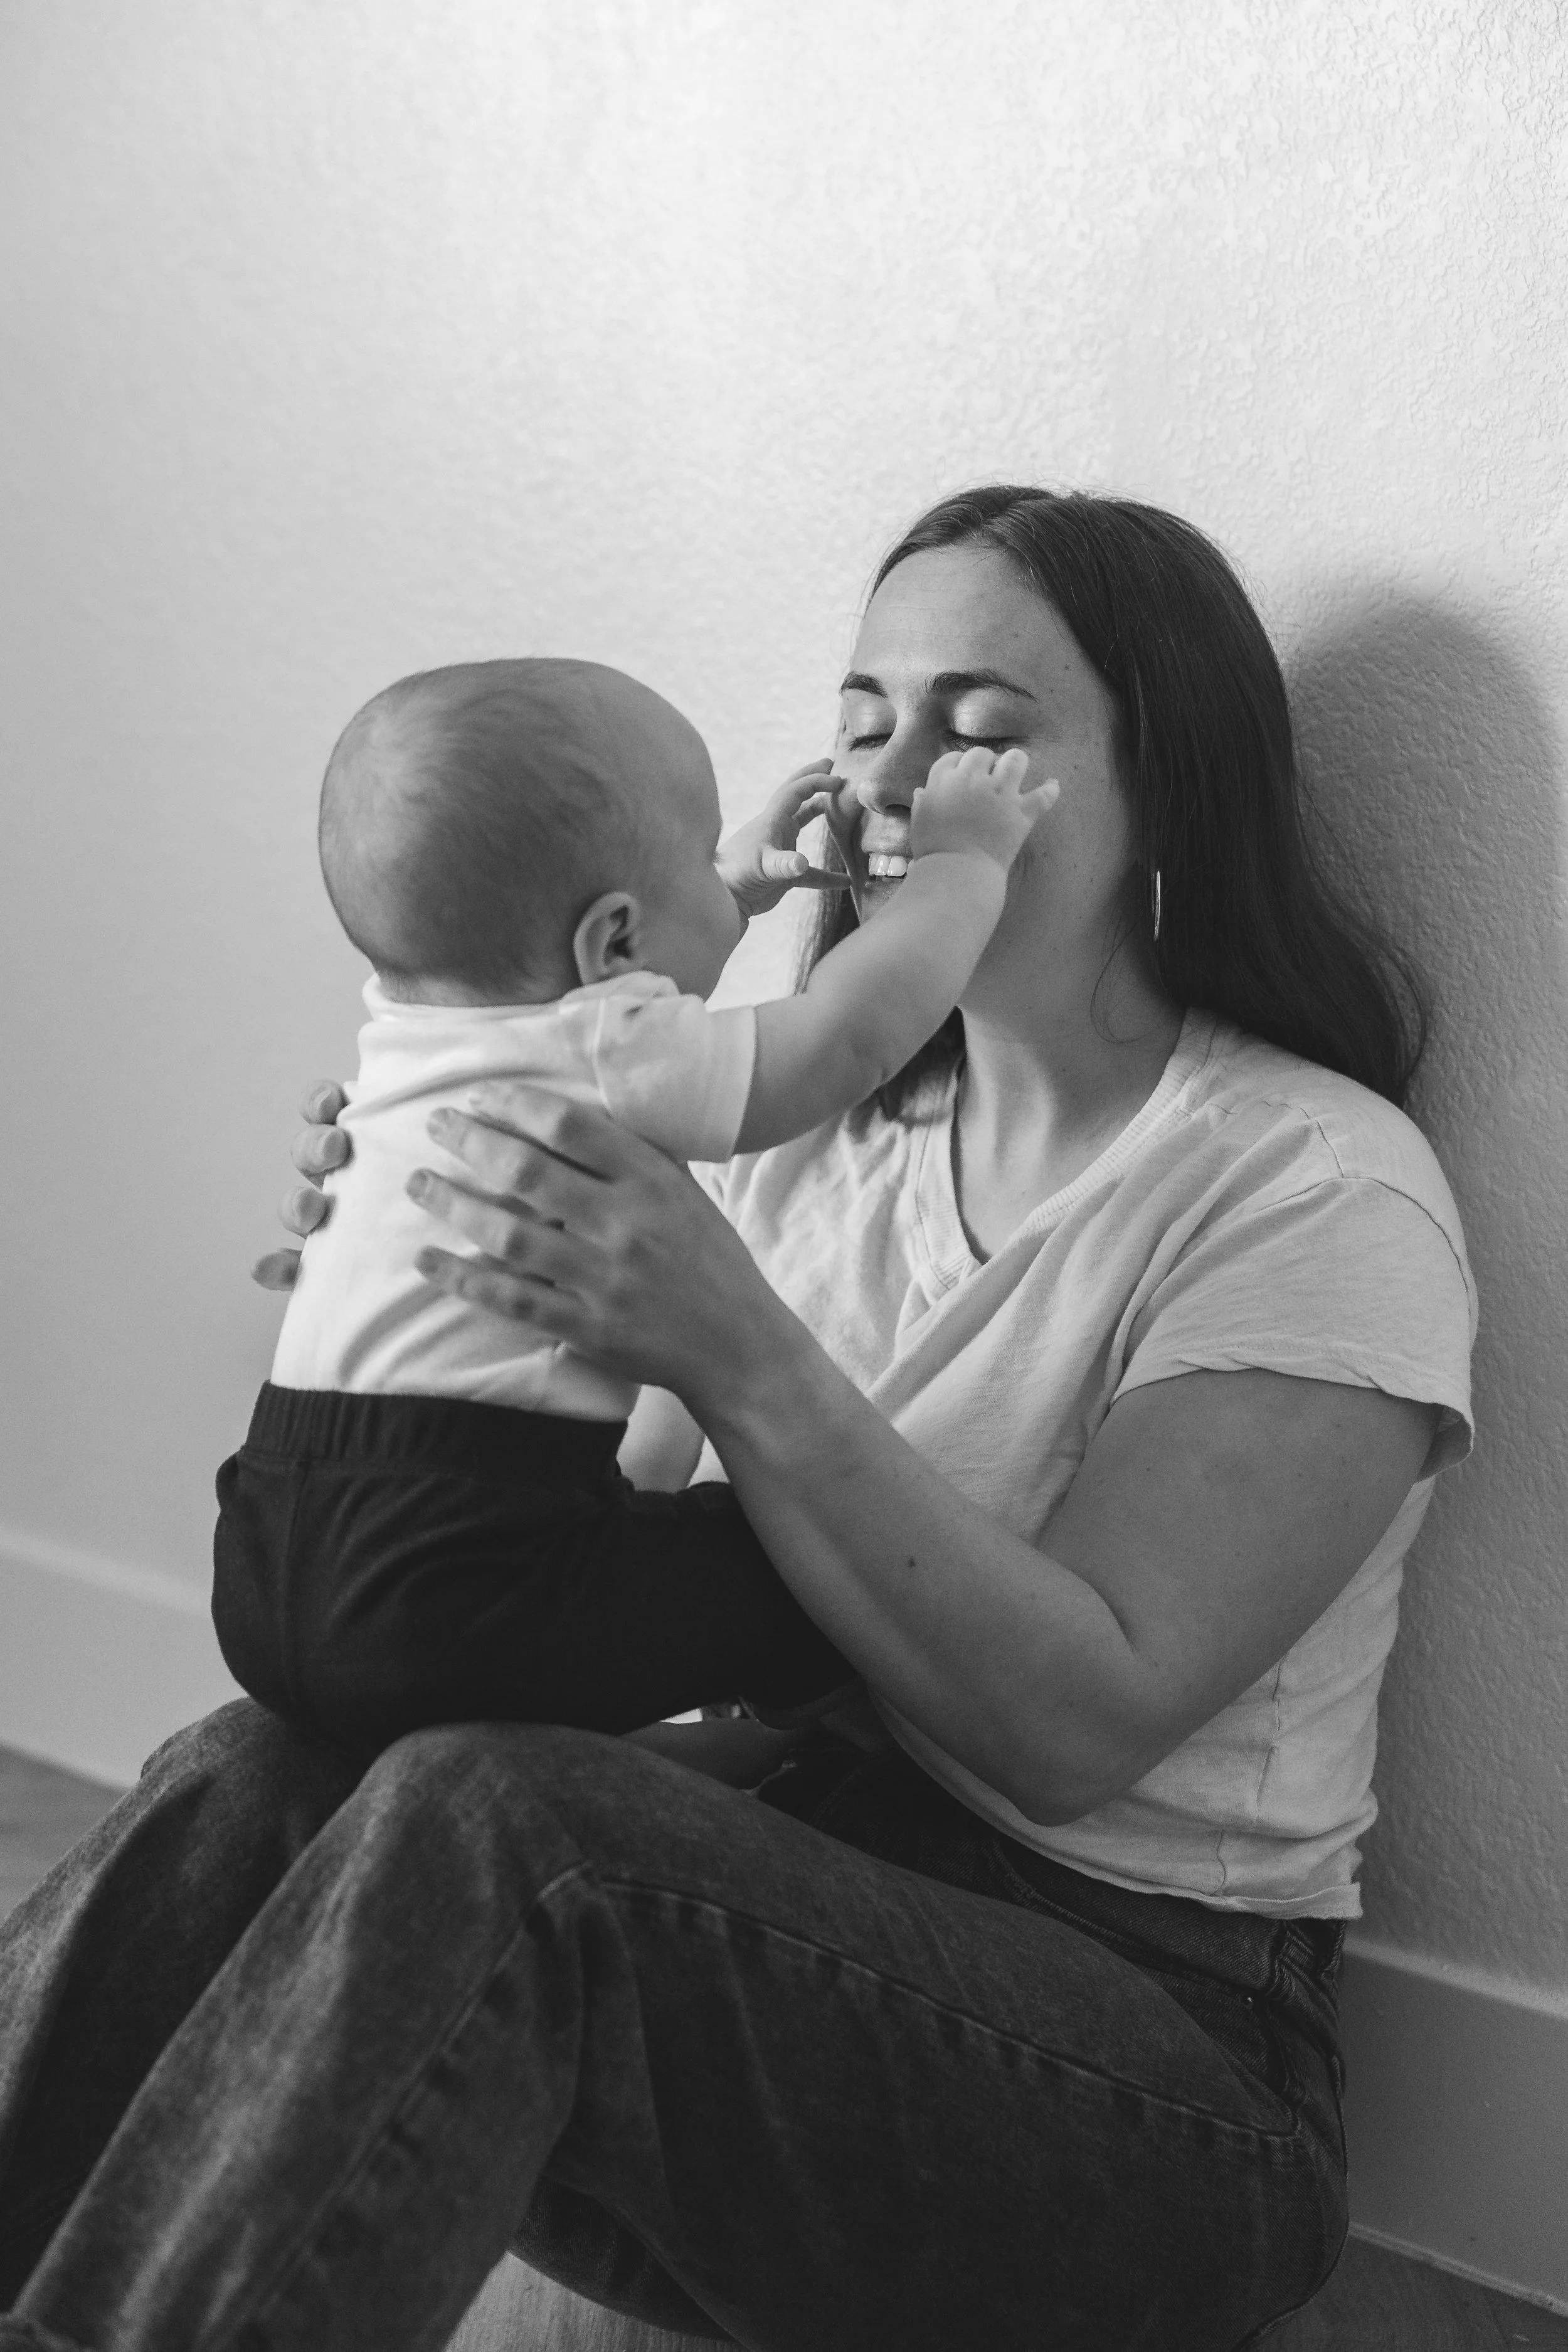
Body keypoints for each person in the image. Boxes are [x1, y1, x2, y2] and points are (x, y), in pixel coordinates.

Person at [0, 486, 1476, 2352]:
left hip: (1156, 2056)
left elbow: (1075, 1724)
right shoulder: (808, 1139)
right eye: (865, 715)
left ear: (1165, 789)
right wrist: (446, 1302)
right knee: (269, 1755)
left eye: (982, 728)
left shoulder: (1310, 1186)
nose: (892, 774)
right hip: (791, 1892)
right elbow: (575, 1608)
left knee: (503, 1820)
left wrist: (731, 1341)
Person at [211, 655, 1052, 1752]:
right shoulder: (608, 1047)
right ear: (614, 944)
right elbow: (845, 1032)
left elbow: (624, 990)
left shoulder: (409, 1038)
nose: (729, 874)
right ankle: (828, 1756)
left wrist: (726, 893)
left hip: (271, 1541)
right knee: (785, 1565)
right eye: (706, 858)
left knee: (252, 1769)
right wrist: (964, 866)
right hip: (465, 1560)